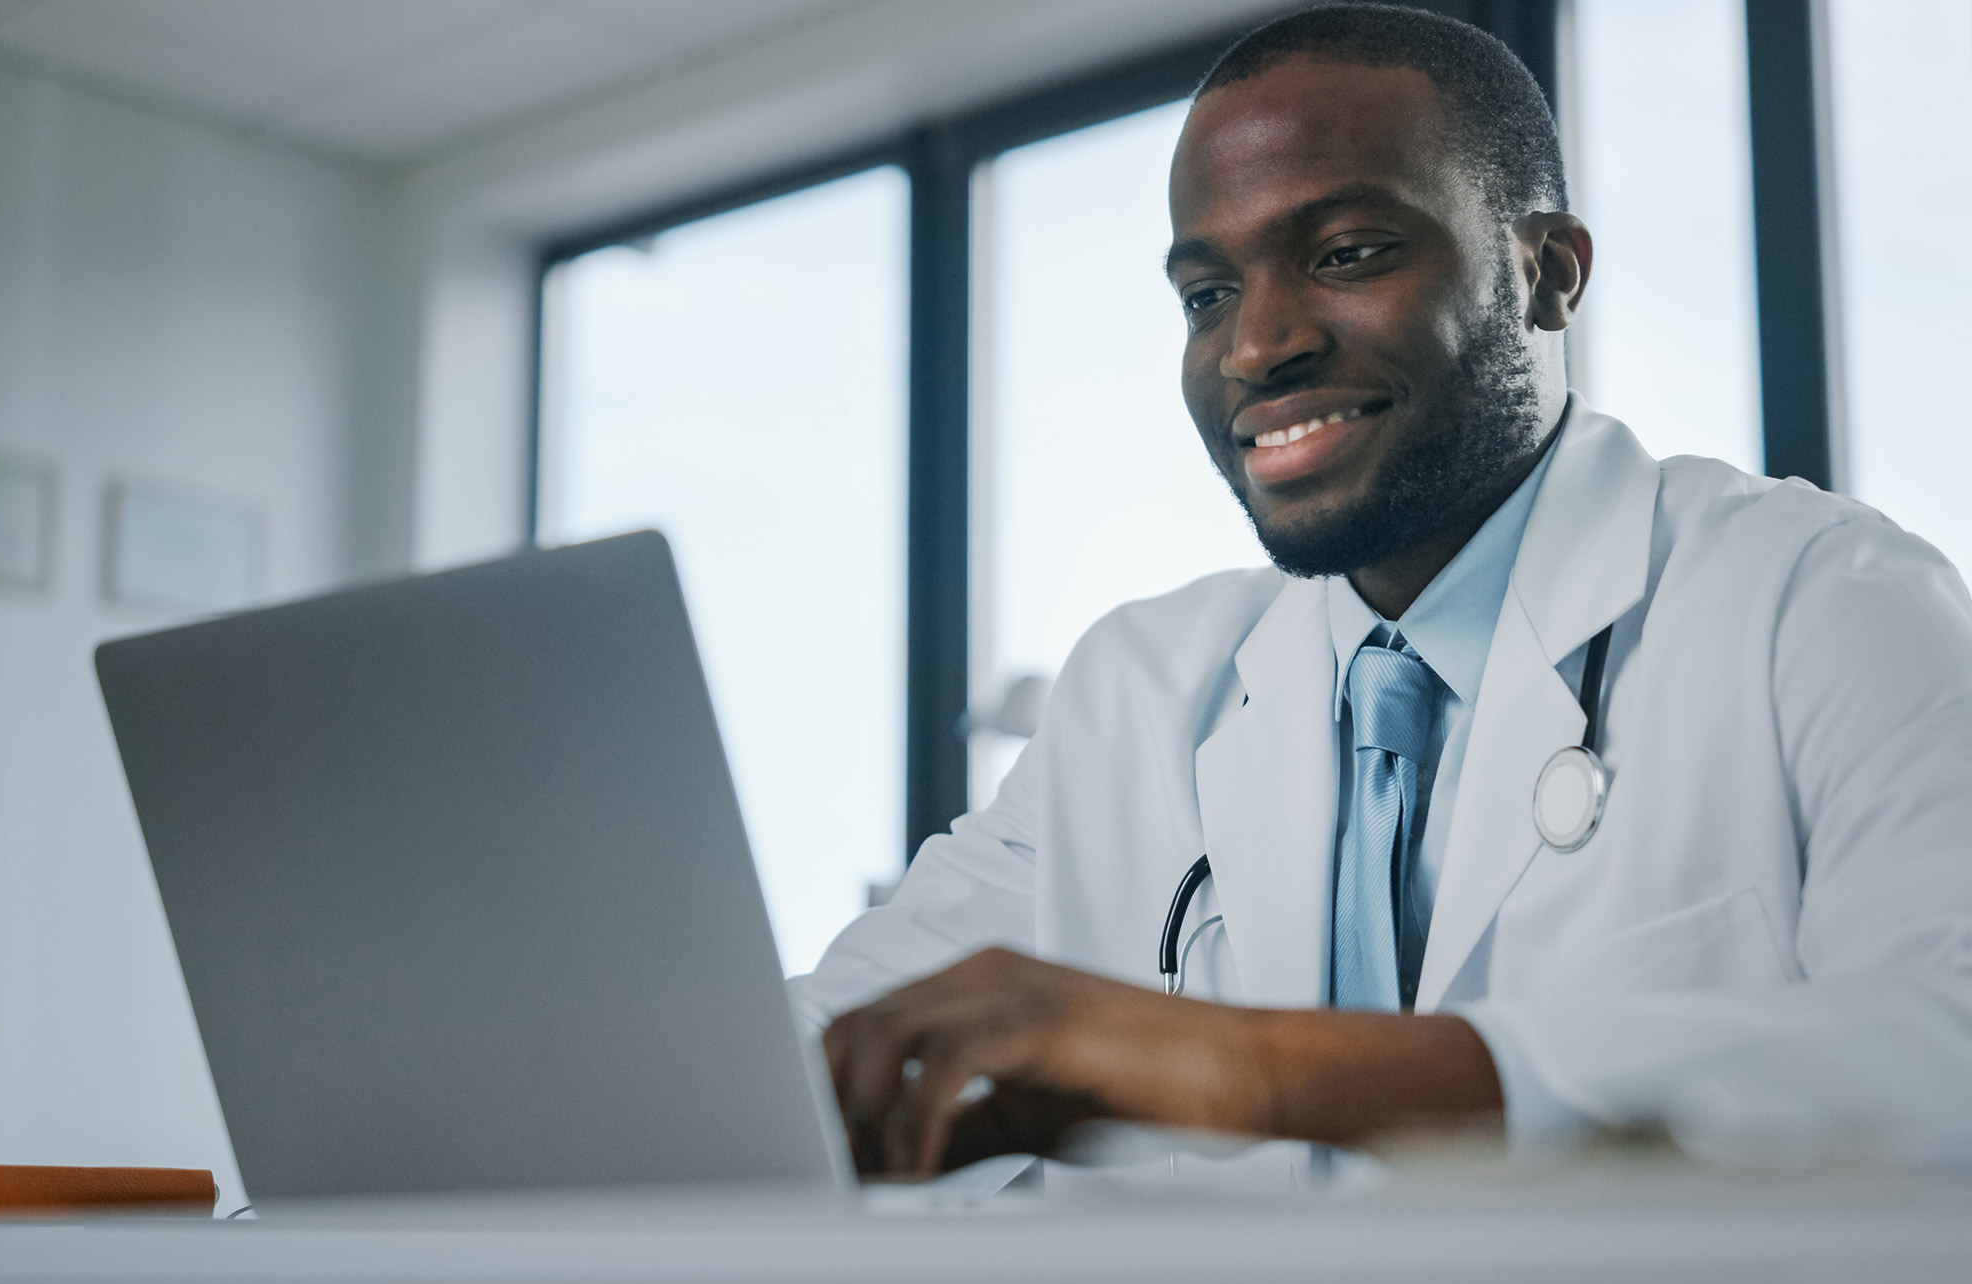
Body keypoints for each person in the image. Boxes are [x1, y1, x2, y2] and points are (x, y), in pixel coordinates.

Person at [790, 3, 1972, 1179]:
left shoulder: (1818, 600)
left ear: (1546, 274)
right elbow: (813, 1050)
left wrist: (1263, 1073)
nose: (1255, 348)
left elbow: (1944, 1045)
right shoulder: (1136, 693)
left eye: (1345, 253)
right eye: (1205, 295)